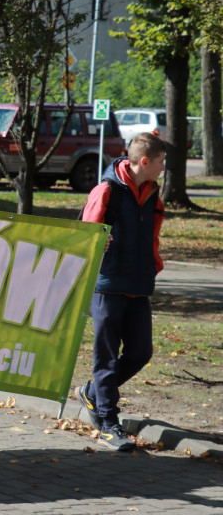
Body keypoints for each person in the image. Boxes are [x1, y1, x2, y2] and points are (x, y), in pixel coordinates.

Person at [78, 132, 167, 452]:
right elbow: (85, 236)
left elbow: (153, 234)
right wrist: (97, 241)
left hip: (139, 286)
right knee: (105, 357)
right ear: (145, 162)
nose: (163, 168)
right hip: (108, 287)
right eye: (160, 162)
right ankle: (108, 424)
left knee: (140, 353)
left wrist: (154, 262)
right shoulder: (106, 190)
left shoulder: (154, 193)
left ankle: (92, 393)